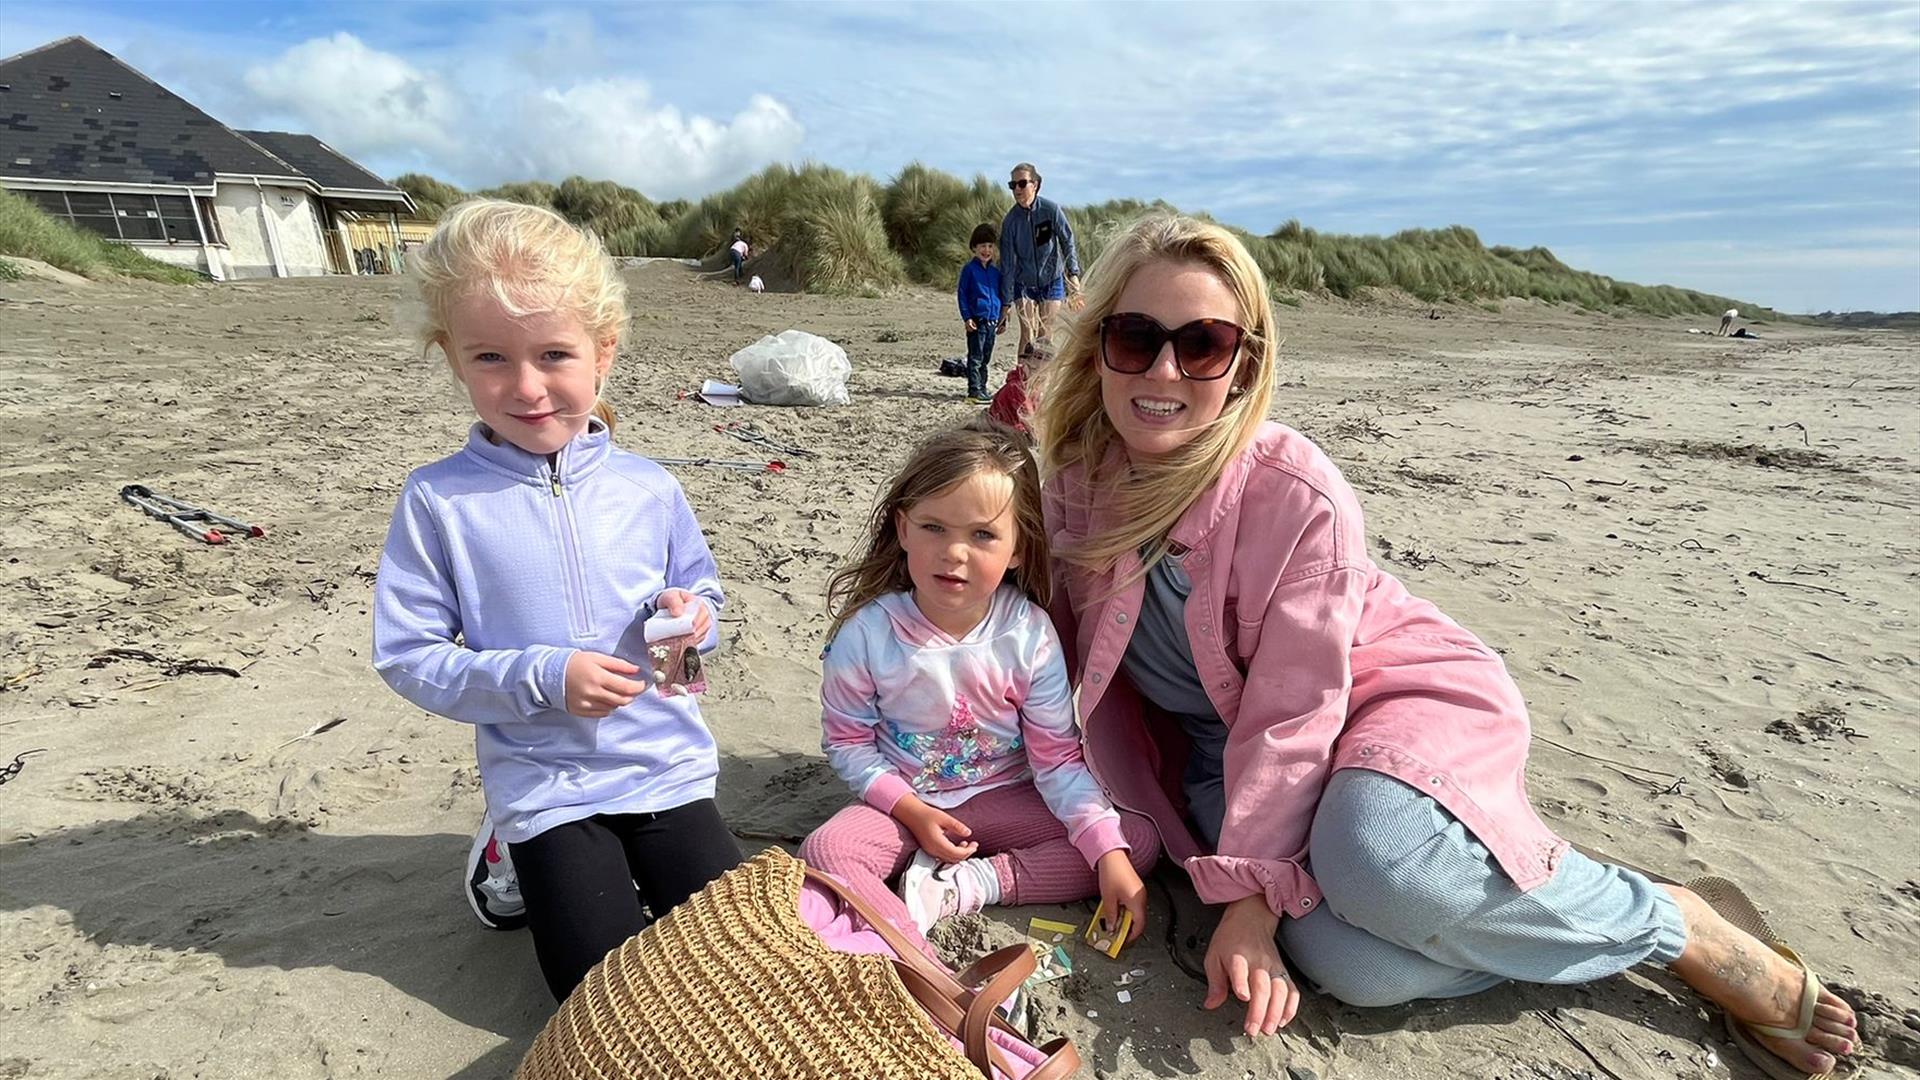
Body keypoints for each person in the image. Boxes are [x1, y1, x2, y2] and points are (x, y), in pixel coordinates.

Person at [1031, 213, 1858, 1076]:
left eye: (1202, 345)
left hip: (1383, 702)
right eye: (1136, 337)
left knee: (1374, 861)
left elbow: (1296, 710)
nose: (1164, 370)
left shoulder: (1294, 494)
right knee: (1360, 968)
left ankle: (1672, 923)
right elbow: (1023, 645)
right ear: (1099, 348)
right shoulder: (1076, 490)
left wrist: (1248, 898)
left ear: (1242, 368)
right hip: (1221, 760)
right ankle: (1511, 878)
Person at [372, 199, 743, 1002]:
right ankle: (510, 850)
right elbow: (408, 655)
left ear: (603, 352)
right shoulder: (439, 501)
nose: (528, 386)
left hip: (665, 767)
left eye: (554, 353)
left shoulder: (649, 487)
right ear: (452, 359)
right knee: (603, 997)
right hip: (545, 781)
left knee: (734, 963)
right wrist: (542, 677)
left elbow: (704, 589)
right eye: (491, 358)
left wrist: (698, 616)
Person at [799, 420, 1159, 951]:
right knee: (826, 851)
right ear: (902, 529)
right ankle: (914, 956)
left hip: (1006, 798)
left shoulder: (1030, 633)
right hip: (906, 803)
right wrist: (911, 811)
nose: (955, 553)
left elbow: (1057, 759)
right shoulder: (868, 633)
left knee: (1136, 843)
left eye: (983, 534)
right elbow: (848, 744)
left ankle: (966, 887)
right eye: (934, 528)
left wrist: (1108, 853)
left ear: (1018, 547)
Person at [999, 162, 1081, 361]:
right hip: (1024, 283)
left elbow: (1067, 241)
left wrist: (1073, 275)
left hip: (1052, 280)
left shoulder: (1051, 210)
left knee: (1045, 335)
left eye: (1022, 183)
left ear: (1035, 185)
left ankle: (1040, 386)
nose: (1017, 189)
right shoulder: (1011, 221)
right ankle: (1020, 384)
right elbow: (1008, 264)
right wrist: (1006, 302)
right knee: (1027, 333)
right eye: (1013, 185)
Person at [956, 223, 1008, 404]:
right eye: (982, 246)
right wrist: (967, 317)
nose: (987, 250)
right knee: (975, 358)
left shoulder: (996, 272)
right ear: (974, 248)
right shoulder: (969, 270)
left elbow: (1000, 296)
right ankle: (973, 391)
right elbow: (962, 294)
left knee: (985, 358)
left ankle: (982, 389)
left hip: (992, 322)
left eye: (990, 246)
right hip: (977, 321)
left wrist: (1003, 320)